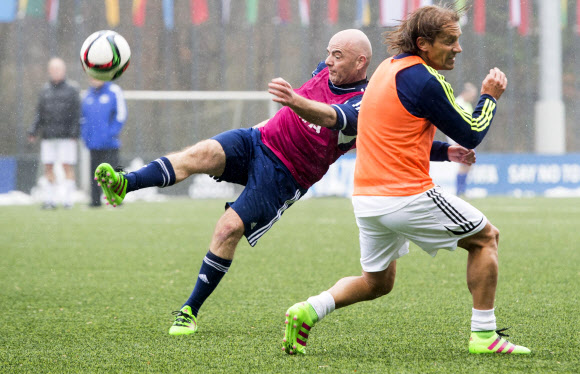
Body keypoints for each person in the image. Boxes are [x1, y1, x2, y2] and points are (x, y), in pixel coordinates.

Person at [94, 29, 472, 337]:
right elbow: (322, 89)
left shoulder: (367, 101)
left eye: (338, 55)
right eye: (328, 52)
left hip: (285, 175)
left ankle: (188, 311)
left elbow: (331, 118)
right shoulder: (326, 70)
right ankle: (125, 184)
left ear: (361, 62)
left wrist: (443, 152)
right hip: (258, 140)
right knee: (200, 153)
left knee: (228, 228)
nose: (328, 61)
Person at [283, 6, 530, 355]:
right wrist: (490, 96)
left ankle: (308, 310)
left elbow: (394, 134)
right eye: (450, 41)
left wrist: (445, 153)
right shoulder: (426, 80)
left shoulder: (387, 69)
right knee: (486, 238)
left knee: (377, 282)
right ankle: (485, 336)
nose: (458, 48)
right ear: (423, 44)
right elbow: (473, 132)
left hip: (367, 199)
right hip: (405, 195)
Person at [28, 57, 81, 209]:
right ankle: (50, 200)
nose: (56, 72)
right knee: (48, 167)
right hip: (48, 136)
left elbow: (77, 113)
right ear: (49, 71)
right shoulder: (45, 90)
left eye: (59, 69)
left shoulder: (72, 90)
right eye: (53, 69)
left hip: (66, 137)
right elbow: (39, 113)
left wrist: (74, 132)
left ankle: (68, 200)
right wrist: (33, 130)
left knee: (67, 167)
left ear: (64, 71)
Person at [81, 77, 127, 207]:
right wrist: (86, 137)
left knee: (112, 171)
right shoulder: (88, 95)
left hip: (110, 143)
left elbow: (121, 115)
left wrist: (111, 133)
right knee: (95, 173)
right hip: (93, 143)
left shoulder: (114, 91)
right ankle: (95, 201)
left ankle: (117, 199)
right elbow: (83, 119)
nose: (94, 79)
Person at [446, 82, 478, 196]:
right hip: (459, 138)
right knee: (464, 163)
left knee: (467, 164)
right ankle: (460, 191)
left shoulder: (467, 104)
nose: (473, 97)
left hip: (466, 138)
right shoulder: (458, 103)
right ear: (466, 93)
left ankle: (462, 190)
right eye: (472, 94)